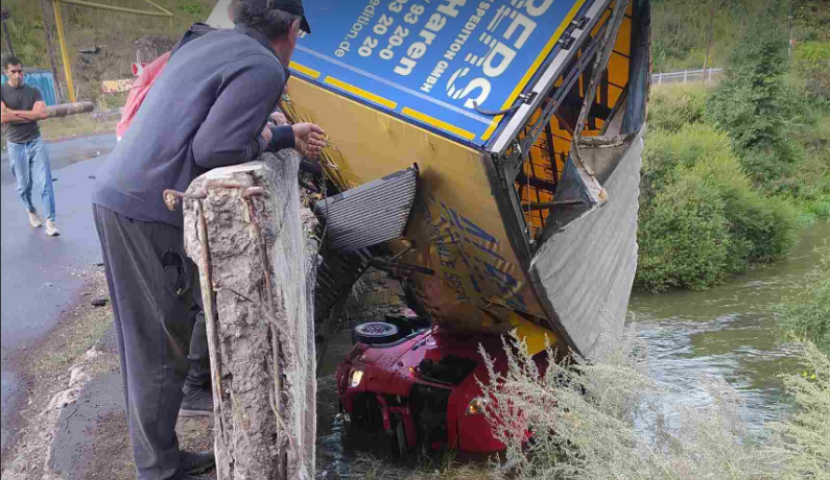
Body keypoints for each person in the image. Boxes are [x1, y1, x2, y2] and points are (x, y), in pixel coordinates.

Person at [91, 0, 326, 478]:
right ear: (294, 30)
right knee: (158, 348)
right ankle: (158, 471)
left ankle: (162, 458)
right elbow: (216, 148)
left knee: (153, 340)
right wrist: (277, 138)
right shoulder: (264, 65)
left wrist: (273, 134)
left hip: (124, 193)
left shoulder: (210, 41)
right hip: (150, 209)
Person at [1, 56, 60, 237]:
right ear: (6, 73)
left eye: (20, 71)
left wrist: (14, 113)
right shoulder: (2, 92)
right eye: (14, 72)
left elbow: (41, 113)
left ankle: (50, 222)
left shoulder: (33, 91)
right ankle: (31, 210)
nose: (18, 75)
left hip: (35, 141)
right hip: (15, 144)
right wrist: (29, 114)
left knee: (45, 182)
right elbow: (3, 117)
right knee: (24, 186)